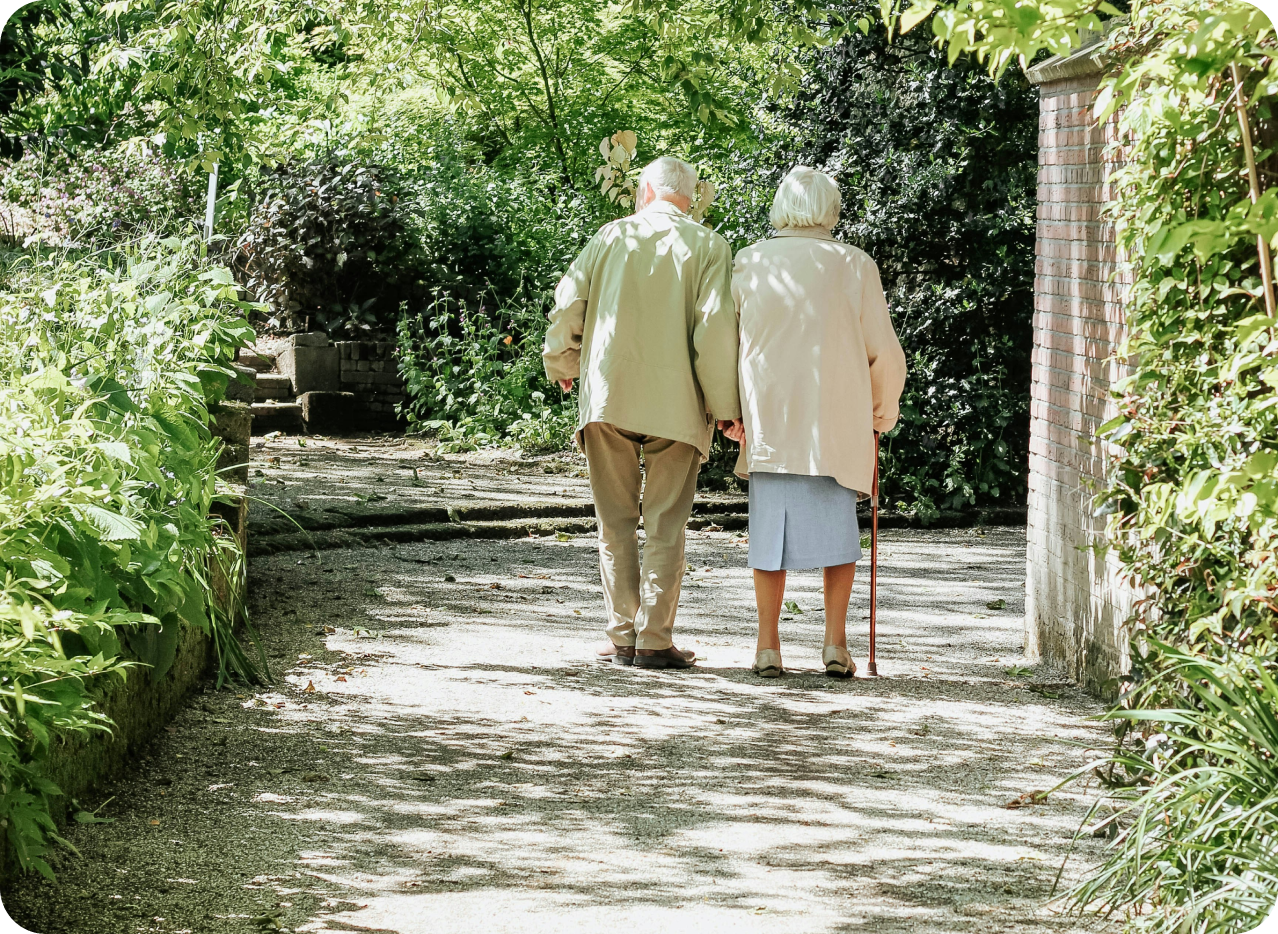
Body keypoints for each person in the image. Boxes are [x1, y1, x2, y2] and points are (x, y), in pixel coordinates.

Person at [543, 156, 743, 670]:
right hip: (677, 404)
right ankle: (654, 639)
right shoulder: (709, 245)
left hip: (610, 396)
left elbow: (569, 306)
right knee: (665, 524)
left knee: (614, 522)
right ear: (691, 196)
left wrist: (562, 360)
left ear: (645, 192)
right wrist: (726, 409)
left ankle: (621, 637)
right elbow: (715, 331)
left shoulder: (609, 237)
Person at [725, 166, 906, 679]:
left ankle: (767, 645)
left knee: (768, 537)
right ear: (831, 209)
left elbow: (727, 345)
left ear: (781, 206)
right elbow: (884, 352)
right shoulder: (854, 265)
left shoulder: (749, 261)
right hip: (836, 420)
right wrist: (881, 410)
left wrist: (730, 411)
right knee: (839, 536)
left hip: (772, 419)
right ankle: (834, 643)